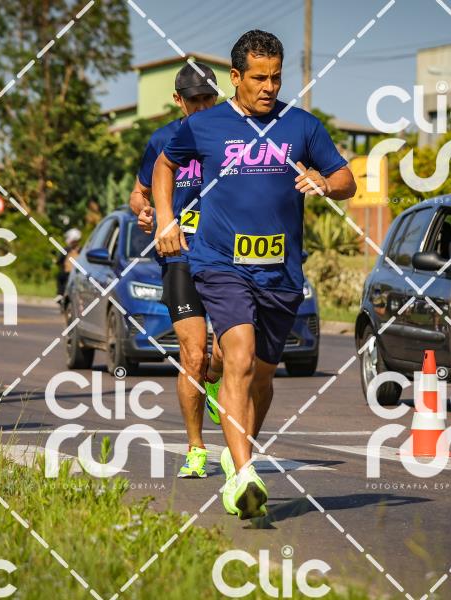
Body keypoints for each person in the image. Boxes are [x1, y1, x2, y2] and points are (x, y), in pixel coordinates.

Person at [153, 31, 356, 518]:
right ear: (236, 77)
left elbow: (347, 179)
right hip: (220, 263)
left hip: (281, 271)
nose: (269, 87)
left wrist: (325, 182)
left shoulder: (301, 126)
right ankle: (243, 473)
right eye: (259, 77)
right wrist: (165, 219)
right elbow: (164, 164)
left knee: (263, 378)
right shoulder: (205, 125)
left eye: (276, 78)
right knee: (238, 357)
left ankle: (237, 451)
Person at [130, 62, 221, 479]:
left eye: (208, 98)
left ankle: (215, 378)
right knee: (193, 354)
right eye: (194, 100)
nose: (202, 107)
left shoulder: (236, 136)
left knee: (224, 356)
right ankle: (196, 448)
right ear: (178, 100)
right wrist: (145, 210)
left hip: (227, 254)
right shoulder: (162, 139)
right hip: (179, 254)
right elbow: (139, 192)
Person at [56, 228, 81, 303]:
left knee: (60, 277)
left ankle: (60, 294)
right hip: (77, 274)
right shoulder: (82, 250)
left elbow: (60, 260)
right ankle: (62, 295)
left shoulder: (67, 250)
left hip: (71, 273)